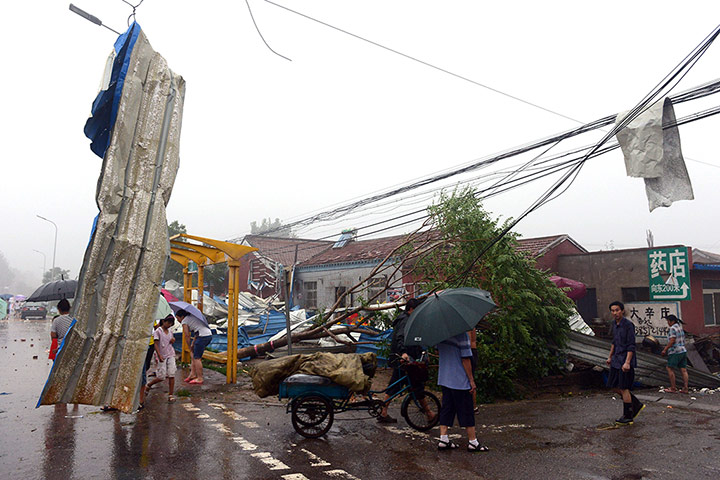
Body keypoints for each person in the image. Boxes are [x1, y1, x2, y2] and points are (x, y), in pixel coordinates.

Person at [378, 298, 432, 423]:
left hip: (403, 359)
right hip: (404, 359)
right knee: (416, 385)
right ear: (411, 309)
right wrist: (404, 353)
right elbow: (401, 337)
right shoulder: (405, 320)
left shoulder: (405, 319)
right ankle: (429, 413)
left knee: (397, 384)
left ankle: (383, 411)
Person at [436, 332, 487, 452]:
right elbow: (465, 359)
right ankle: (473, 441)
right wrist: (471, 379)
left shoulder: (440, 335)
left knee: (447, 408)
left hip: (444, 377)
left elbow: (439, 352)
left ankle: (443, 438)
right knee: (466, 409)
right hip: (459, 380)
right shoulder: (462, 335)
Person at [605, 301, 644, 425]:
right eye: (613, 310)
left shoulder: (628, 325)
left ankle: (628, 416)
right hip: (616, 360)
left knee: (624, 387)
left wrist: (627, 362)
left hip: (625, 361)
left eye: (617, 310)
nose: (615, 313)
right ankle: (636, 404)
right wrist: (610, 357)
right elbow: (614, 342)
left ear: (622, 311)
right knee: (613, 385)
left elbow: (631, 345)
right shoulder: (614, 324)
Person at [147, 314, 177, 402]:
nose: (169, 325)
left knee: (172, 374)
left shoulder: (170, 331)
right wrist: (159, 355)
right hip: (162, 354)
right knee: (161, 376)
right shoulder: (158, 331)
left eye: (171, 323)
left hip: (170, 353)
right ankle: (149, 384)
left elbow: (171, 340)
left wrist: (172, 340)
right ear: (163, 321)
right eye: (168, 322)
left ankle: (171, 394)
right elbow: (156, 344)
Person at [179, 309, 212, 384]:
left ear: (181, 317)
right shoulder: (193, 317)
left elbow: (187, 335)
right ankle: (192, 374)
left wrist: (189, 346)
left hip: (202, 337)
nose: (178, 320)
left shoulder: (184, 321)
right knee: (194, 354)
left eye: (177, 318)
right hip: (208, 335)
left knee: (197, 358)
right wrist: (193, 344)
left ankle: (200, 378)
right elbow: (197, 330)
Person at [661, 314, 689, 394]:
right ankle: (685, 388)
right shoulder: (679, 327)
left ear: (672, 321)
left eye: (668, 321)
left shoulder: (672, 328)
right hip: (683, 350)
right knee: (683, 370)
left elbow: (672, 340)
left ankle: (673, 387)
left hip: (675, 351)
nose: (668, 323)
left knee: (669, 368)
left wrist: (665, 349)